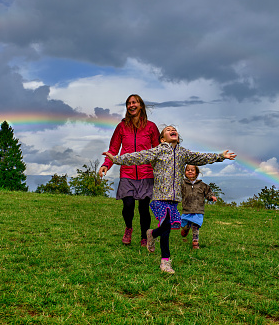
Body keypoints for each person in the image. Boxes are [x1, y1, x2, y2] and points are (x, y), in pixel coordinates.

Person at [103, 125, 236, 274]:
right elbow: (138, 156)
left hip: (174, 200)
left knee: (168, 226)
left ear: (178, 137)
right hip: (159, 197)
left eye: (175, 129)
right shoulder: (158, 150)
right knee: (166, 225)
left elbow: (201, 157)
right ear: (162, 138)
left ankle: (152, 234)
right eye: (168, 129)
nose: (172, 130)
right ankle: (165, 262)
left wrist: (220, 156)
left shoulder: (183, 153)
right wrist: (116, 159)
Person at [99, 94, 160, 247]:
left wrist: (162, 170)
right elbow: (113, 148)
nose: (131, 105)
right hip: (127, 173)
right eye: (128, 103)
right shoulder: (121, 126)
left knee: (144, 208)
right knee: (128, 206)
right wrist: (106, 164)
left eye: (134, 102)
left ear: (141, 106)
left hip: (146, 173)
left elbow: (158, 151)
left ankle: (145, 236)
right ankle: (128, 227)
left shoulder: (151, 127)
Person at [180, 164, 217, 249]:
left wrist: (211, 197)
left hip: (198, 210)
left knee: (195, 226)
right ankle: (186, 229)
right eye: (188, 170)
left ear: (196, 173)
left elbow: (208, 193)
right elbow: (177, 193)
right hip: (186, 210)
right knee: (185, 225)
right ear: (185, 172)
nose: (190, 171)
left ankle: (195, 242)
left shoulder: (202, 185)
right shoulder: (182, 184)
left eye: (192, 170)